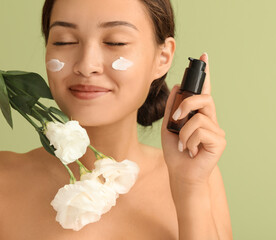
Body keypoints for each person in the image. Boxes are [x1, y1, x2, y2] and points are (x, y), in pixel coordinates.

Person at [0, 0, 232, 239]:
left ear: (162, 58)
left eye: (116, 42)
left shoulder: (200, 179)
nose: (87, 66)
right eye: (65, 41)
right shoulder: (3, 179)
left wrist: (189, 188)